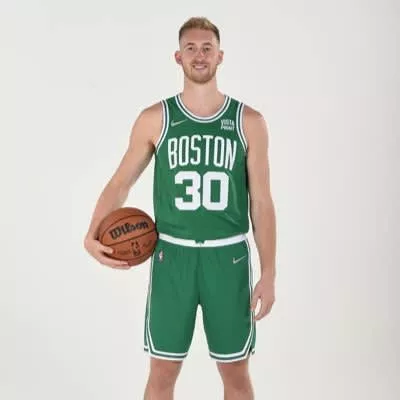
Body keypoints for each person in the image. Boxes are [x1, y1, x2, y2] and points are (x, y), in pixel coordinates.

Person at [84, 16, 276, 400]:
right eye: (191, 48)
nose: (199, 55)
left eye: (207, 48)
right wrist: (92, 233)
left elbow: (261, 201)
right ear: (178, 57)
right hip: (172, 256)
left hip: (228, 258)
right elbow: (120, 183)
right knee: (162, 371)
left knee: (236, 373)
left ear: (220, 56)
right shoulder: (155, 119)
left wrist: (269, 271)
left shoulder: (249, 122)